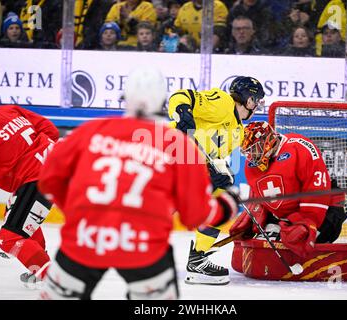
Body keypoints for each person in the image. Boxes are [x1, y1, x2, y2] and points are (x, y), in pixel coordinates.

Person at [37, 67, 240, 300]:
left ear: (125, 98)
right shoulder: (180, 147)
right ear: (163, 102)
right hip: (143, 246)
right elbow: (195, 215)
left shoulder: (91, 130)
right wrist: (227, 205)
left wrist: (78, 212)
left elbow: (49, 179)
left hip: (85, 239)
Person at [168, 76, 265, 285]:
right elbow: (181, 96)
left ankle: (198, 259)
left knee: (221, 196)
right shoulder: (222, 102)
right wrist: (184, 113)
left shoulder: (238, 131)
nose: (256, 106)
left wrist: (224, 174)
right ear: (248, 99)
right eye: (256, 100)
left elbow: (216, 158)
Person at [0, 78, 59, 285]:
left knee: (9, 238)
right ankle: (40, 264)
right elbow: (52, 131)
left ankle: (55, 282)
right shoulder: (11, 109)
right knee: (13, 215)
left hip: (36, 179)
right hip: (54, 168)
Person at [229, 121, 347, 259]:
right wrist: (253, 215)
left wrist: (308, 222)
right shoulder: (252, 166)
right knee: (266, 250)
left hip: (324, 210)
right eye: (247, 152)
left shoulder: (299, 147)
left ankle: (315, 235)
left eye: (254, 148)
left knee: (299, 242)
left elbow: (317, 189)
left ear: (268, 141)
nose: (251, 156)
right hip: (287, 217)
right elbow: (262, 197)